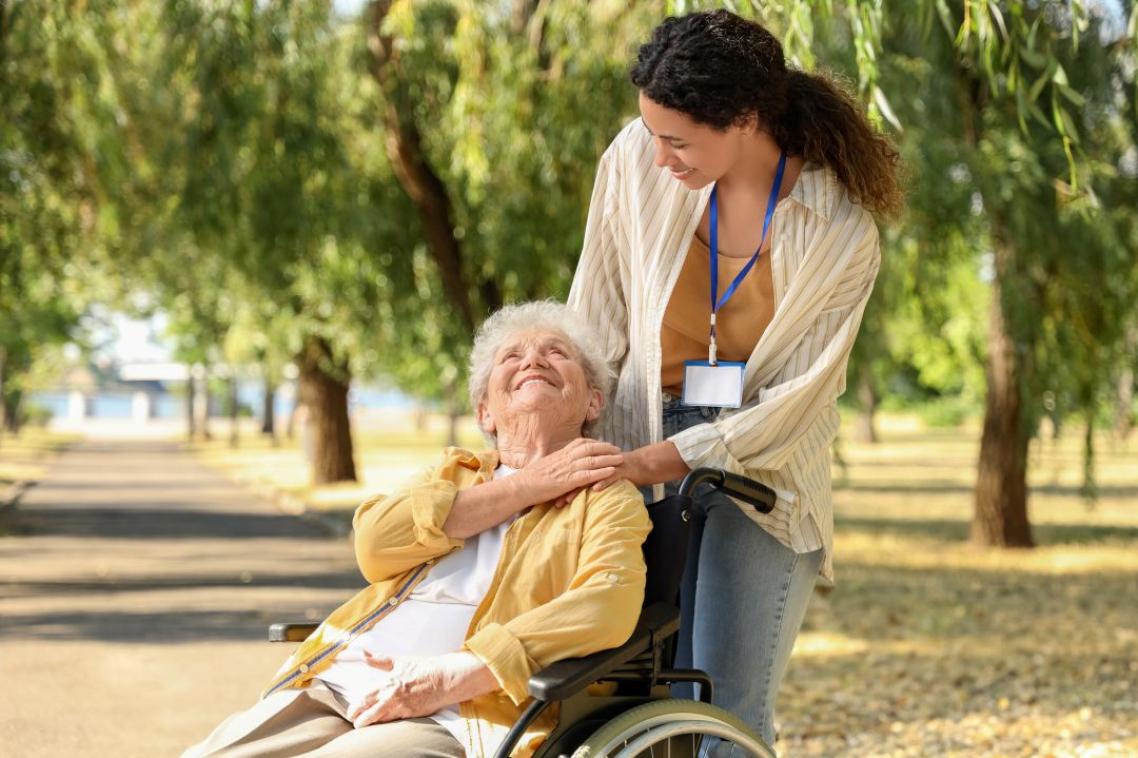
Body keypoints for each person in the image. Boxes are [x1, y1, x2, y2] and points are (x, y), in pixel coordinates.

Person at [567, 9, 902, 749]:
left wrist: (672, 459)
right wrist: (565, 442)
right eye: (652, 133)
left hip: (764, 469)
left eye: (677, 141)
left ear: (746, 118)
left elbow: (801, 398)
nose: (659, 157)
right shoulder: (632, 160)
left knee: (723, 711)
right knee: (624, 703)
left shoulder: (841, 229)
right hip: (635, 435)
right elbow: (595, 314)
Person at [183, 302, 652, 758]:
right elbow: (373, 545)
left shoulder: (606, 498)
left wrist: (454, 675)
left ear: (593, 401)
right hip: (342, 681)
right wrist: (528, 485)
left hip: (458, 712)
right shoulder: (452, 474)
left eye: (556, 352)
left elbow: (605, 604)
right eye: (512, 356)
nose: (532, 359)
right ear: (486, 411)